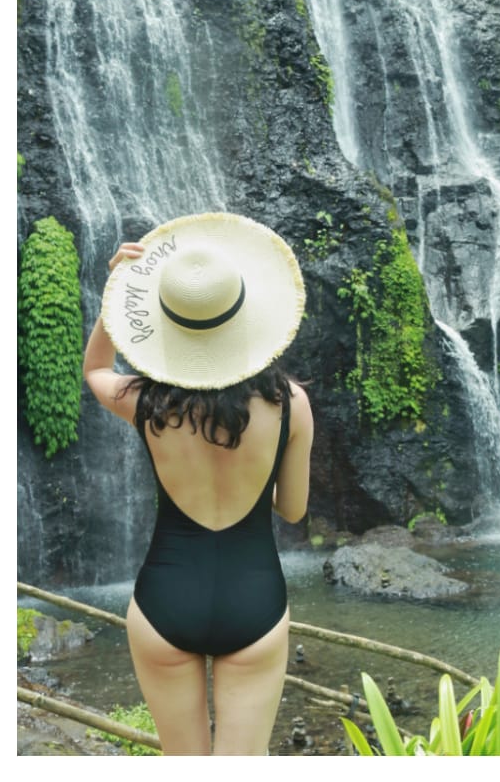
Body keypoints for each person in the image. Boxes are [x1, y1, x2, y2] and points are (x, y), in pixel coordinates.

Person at [84, 213, 314, 756]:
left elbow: (96, 368)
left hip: (164, 599)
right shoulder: (292, 405)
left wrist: (114, 296)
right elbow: (294, 511)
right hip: (254, 599)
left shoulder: (146, 402)